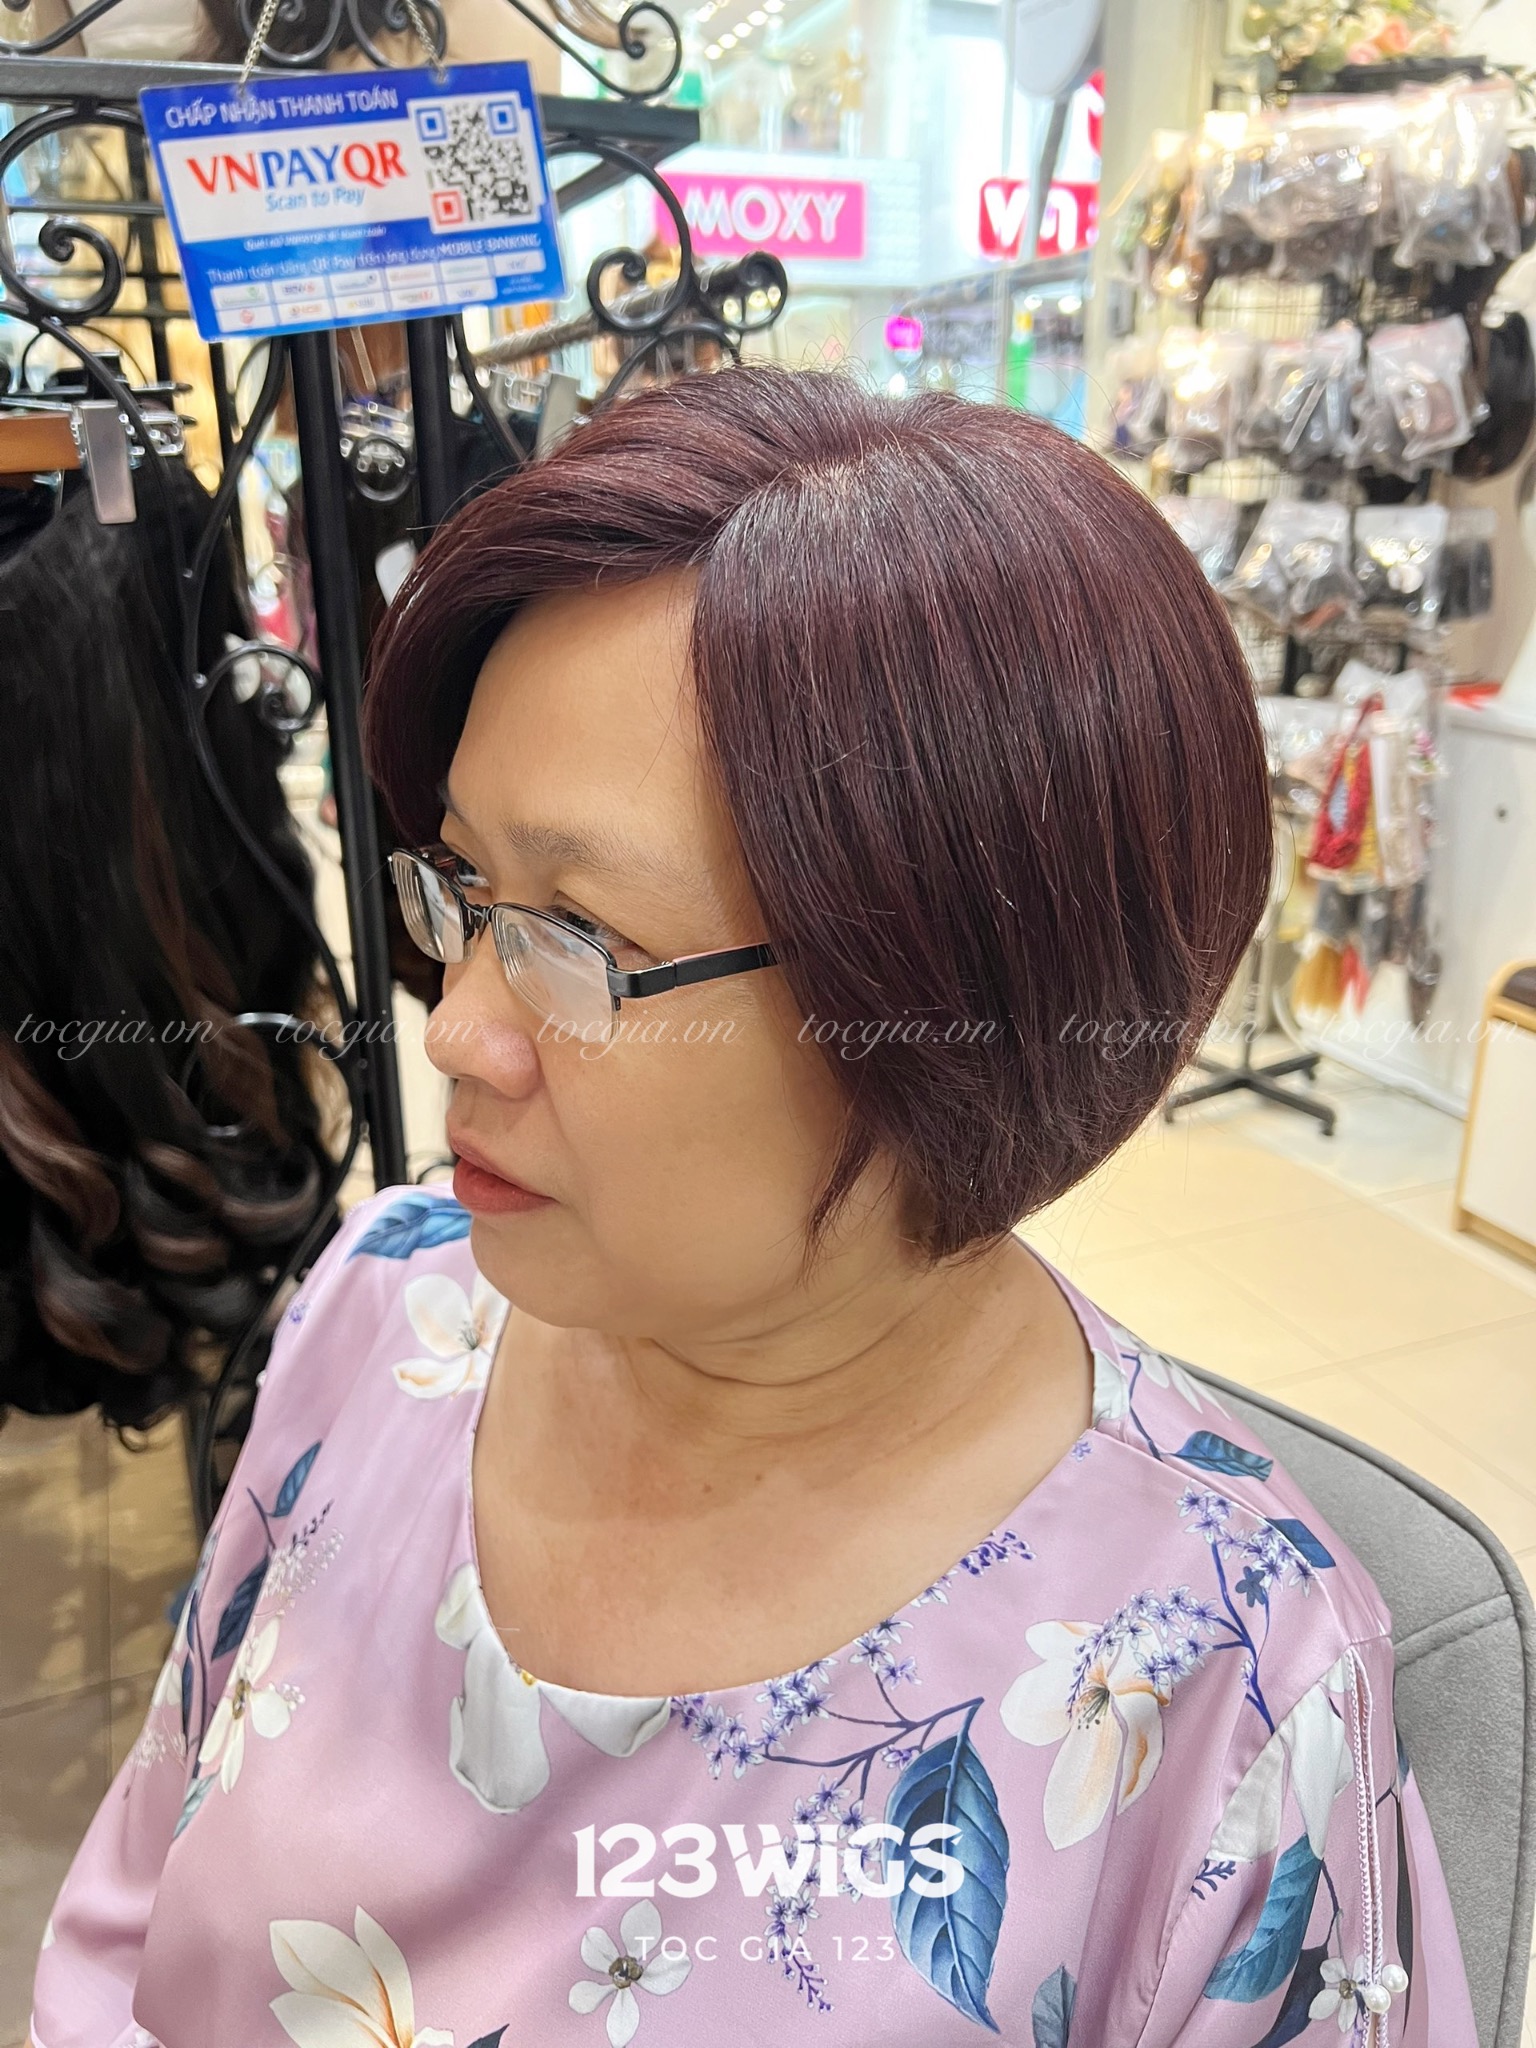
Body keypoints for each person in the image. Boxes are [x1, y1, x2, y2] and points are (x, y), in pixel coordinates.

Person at [31, 366, 1477, 2047]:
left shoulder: (1224, 1694)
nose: (457, 1027)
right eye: (467, 889)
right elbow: (125, 1922)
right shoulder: (382, 1312)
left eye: (582, 937)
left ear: (960, 1004)